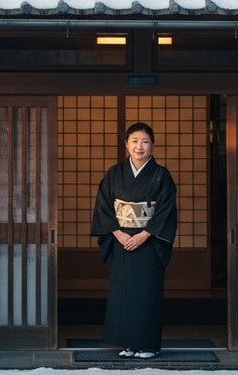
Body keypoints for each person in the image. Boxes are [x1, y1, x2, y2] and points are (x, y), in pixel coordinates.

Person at [90, 122, 178, 359]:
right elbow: (104, 208)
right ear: (126, 144)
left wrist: (143, 235)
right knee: (123, 293)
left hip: (148, 243)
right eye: (135, 141)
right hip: (121, 242)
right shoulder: (114, 173)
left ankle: (148, 345)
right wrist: (118, 233)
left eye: (145, 141)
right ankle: (129, 343)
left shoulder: (161, 175)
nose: (140, 146)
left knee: (146, 293)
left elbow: (166, 211)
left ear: (152, 145)